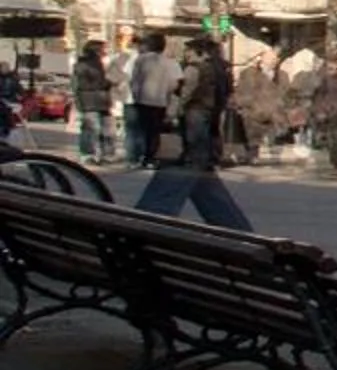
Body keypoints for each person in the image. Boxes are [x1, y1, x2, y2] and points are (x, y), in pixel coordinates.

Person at [135, 40, 252, 230]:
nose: (187, 54)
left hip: (191, 124)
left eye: (189, 50)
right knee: (206, 185)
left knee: (179, 174)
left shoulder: (194, 70)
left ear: (200, 52)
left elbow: (184, 95)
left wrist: (171, 112)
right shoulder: (222, 71)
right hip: (208, 126)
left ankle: (145, 228)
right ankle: (239, 231)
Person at [124, 30, 177, 169]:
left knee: (140, 130)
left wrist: (136, 96)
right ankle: (150, 158)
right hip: (160, 101)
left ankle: (136, 158)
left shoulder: (141, 60)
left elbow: (134, 80)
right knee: (154, 132)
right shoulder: (169, 62)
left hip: (142, 100)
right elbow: (174, 83)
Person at [72, 40, 115, 164]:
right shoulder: (85, 64)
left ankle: (106, 154)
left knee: (106, 130)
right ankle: (87, 154)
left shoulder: (98, 64)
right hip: (90, 102)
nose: (104, 52)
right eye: (102, 50)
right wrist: (107, 83)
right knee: (90, 129)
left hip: (101, 101)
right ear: (95, 51)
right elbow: (83, 84)